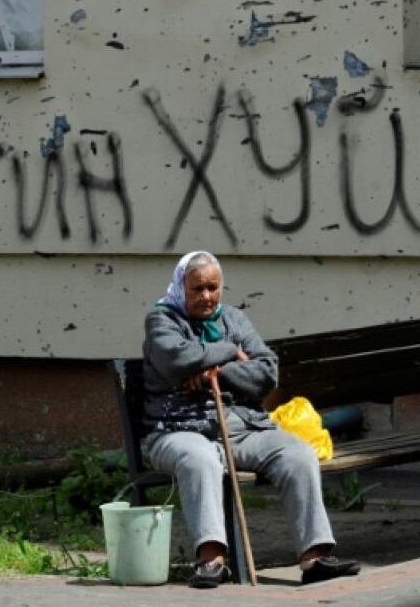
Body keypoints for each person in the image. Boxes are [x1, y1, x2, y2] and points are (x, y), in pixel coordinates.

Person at [142, 250, 361, 588]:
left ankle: (314, 556)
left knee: (297, 453)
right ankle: (212, 560)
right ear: (180, 287)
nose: (206, 297)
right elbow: (176, 359)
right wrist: (231, 350)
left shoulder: (234, 318)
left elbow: (266, 372)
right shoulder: (162, 320)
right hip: (179, 431)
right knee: (199, 460)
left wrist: (218, 370)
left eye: (213, 288)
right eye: (197, 289)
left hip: (242, 428)